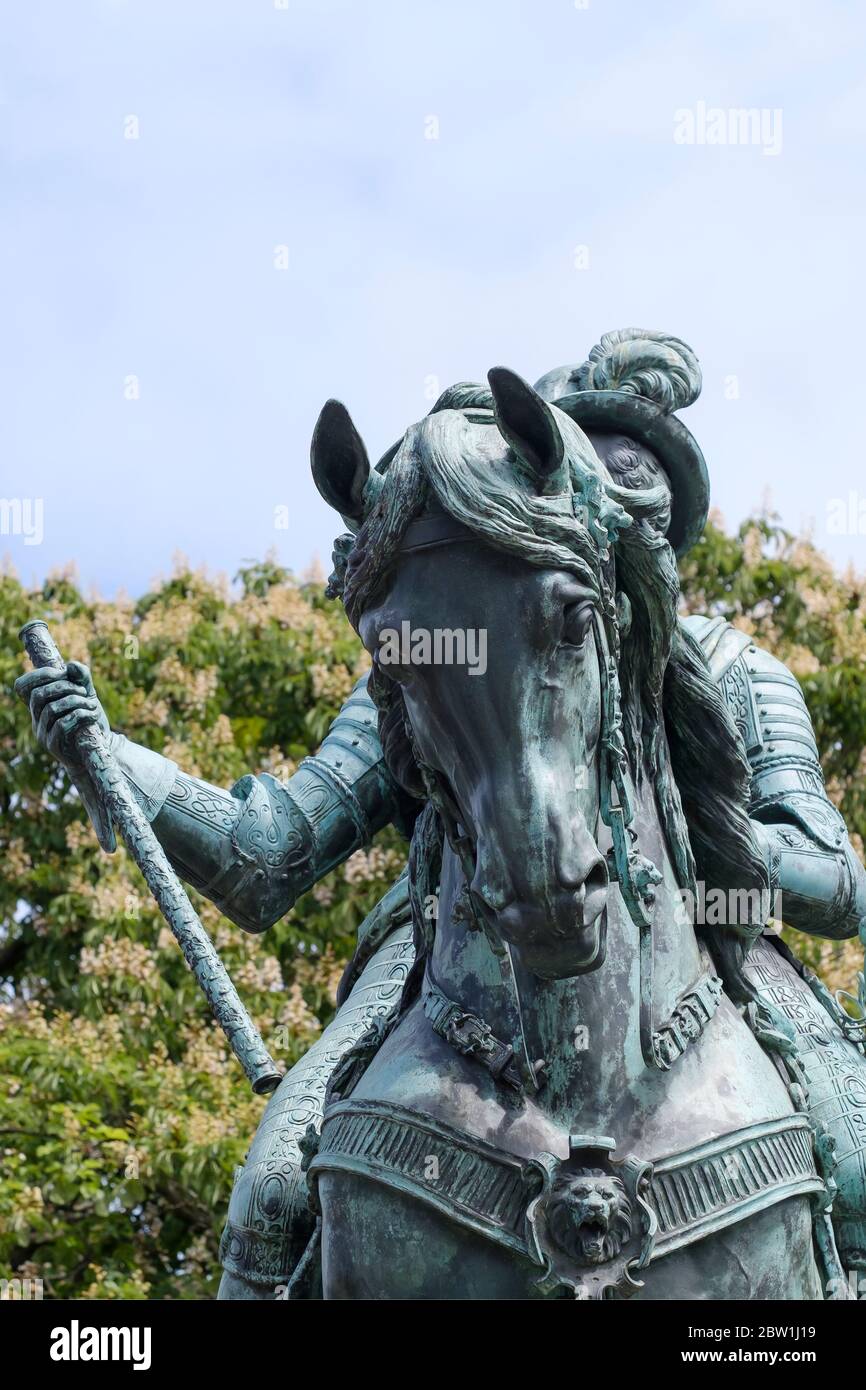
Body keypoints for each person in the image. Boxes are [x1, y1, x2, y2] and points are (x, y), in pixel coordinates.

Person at [16, 328, 866, 1298]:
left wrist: (704, 840)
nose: (628, 475)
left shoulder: (738, 667)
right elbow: (269, 852)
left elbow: (834, 880)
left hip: (710, 960)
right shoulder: (440, 650)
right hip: (436, 971)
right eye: (601, 453)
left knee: (855, 1160)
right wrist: (109, 754)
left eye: (649, 464)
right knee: (272, 1189)